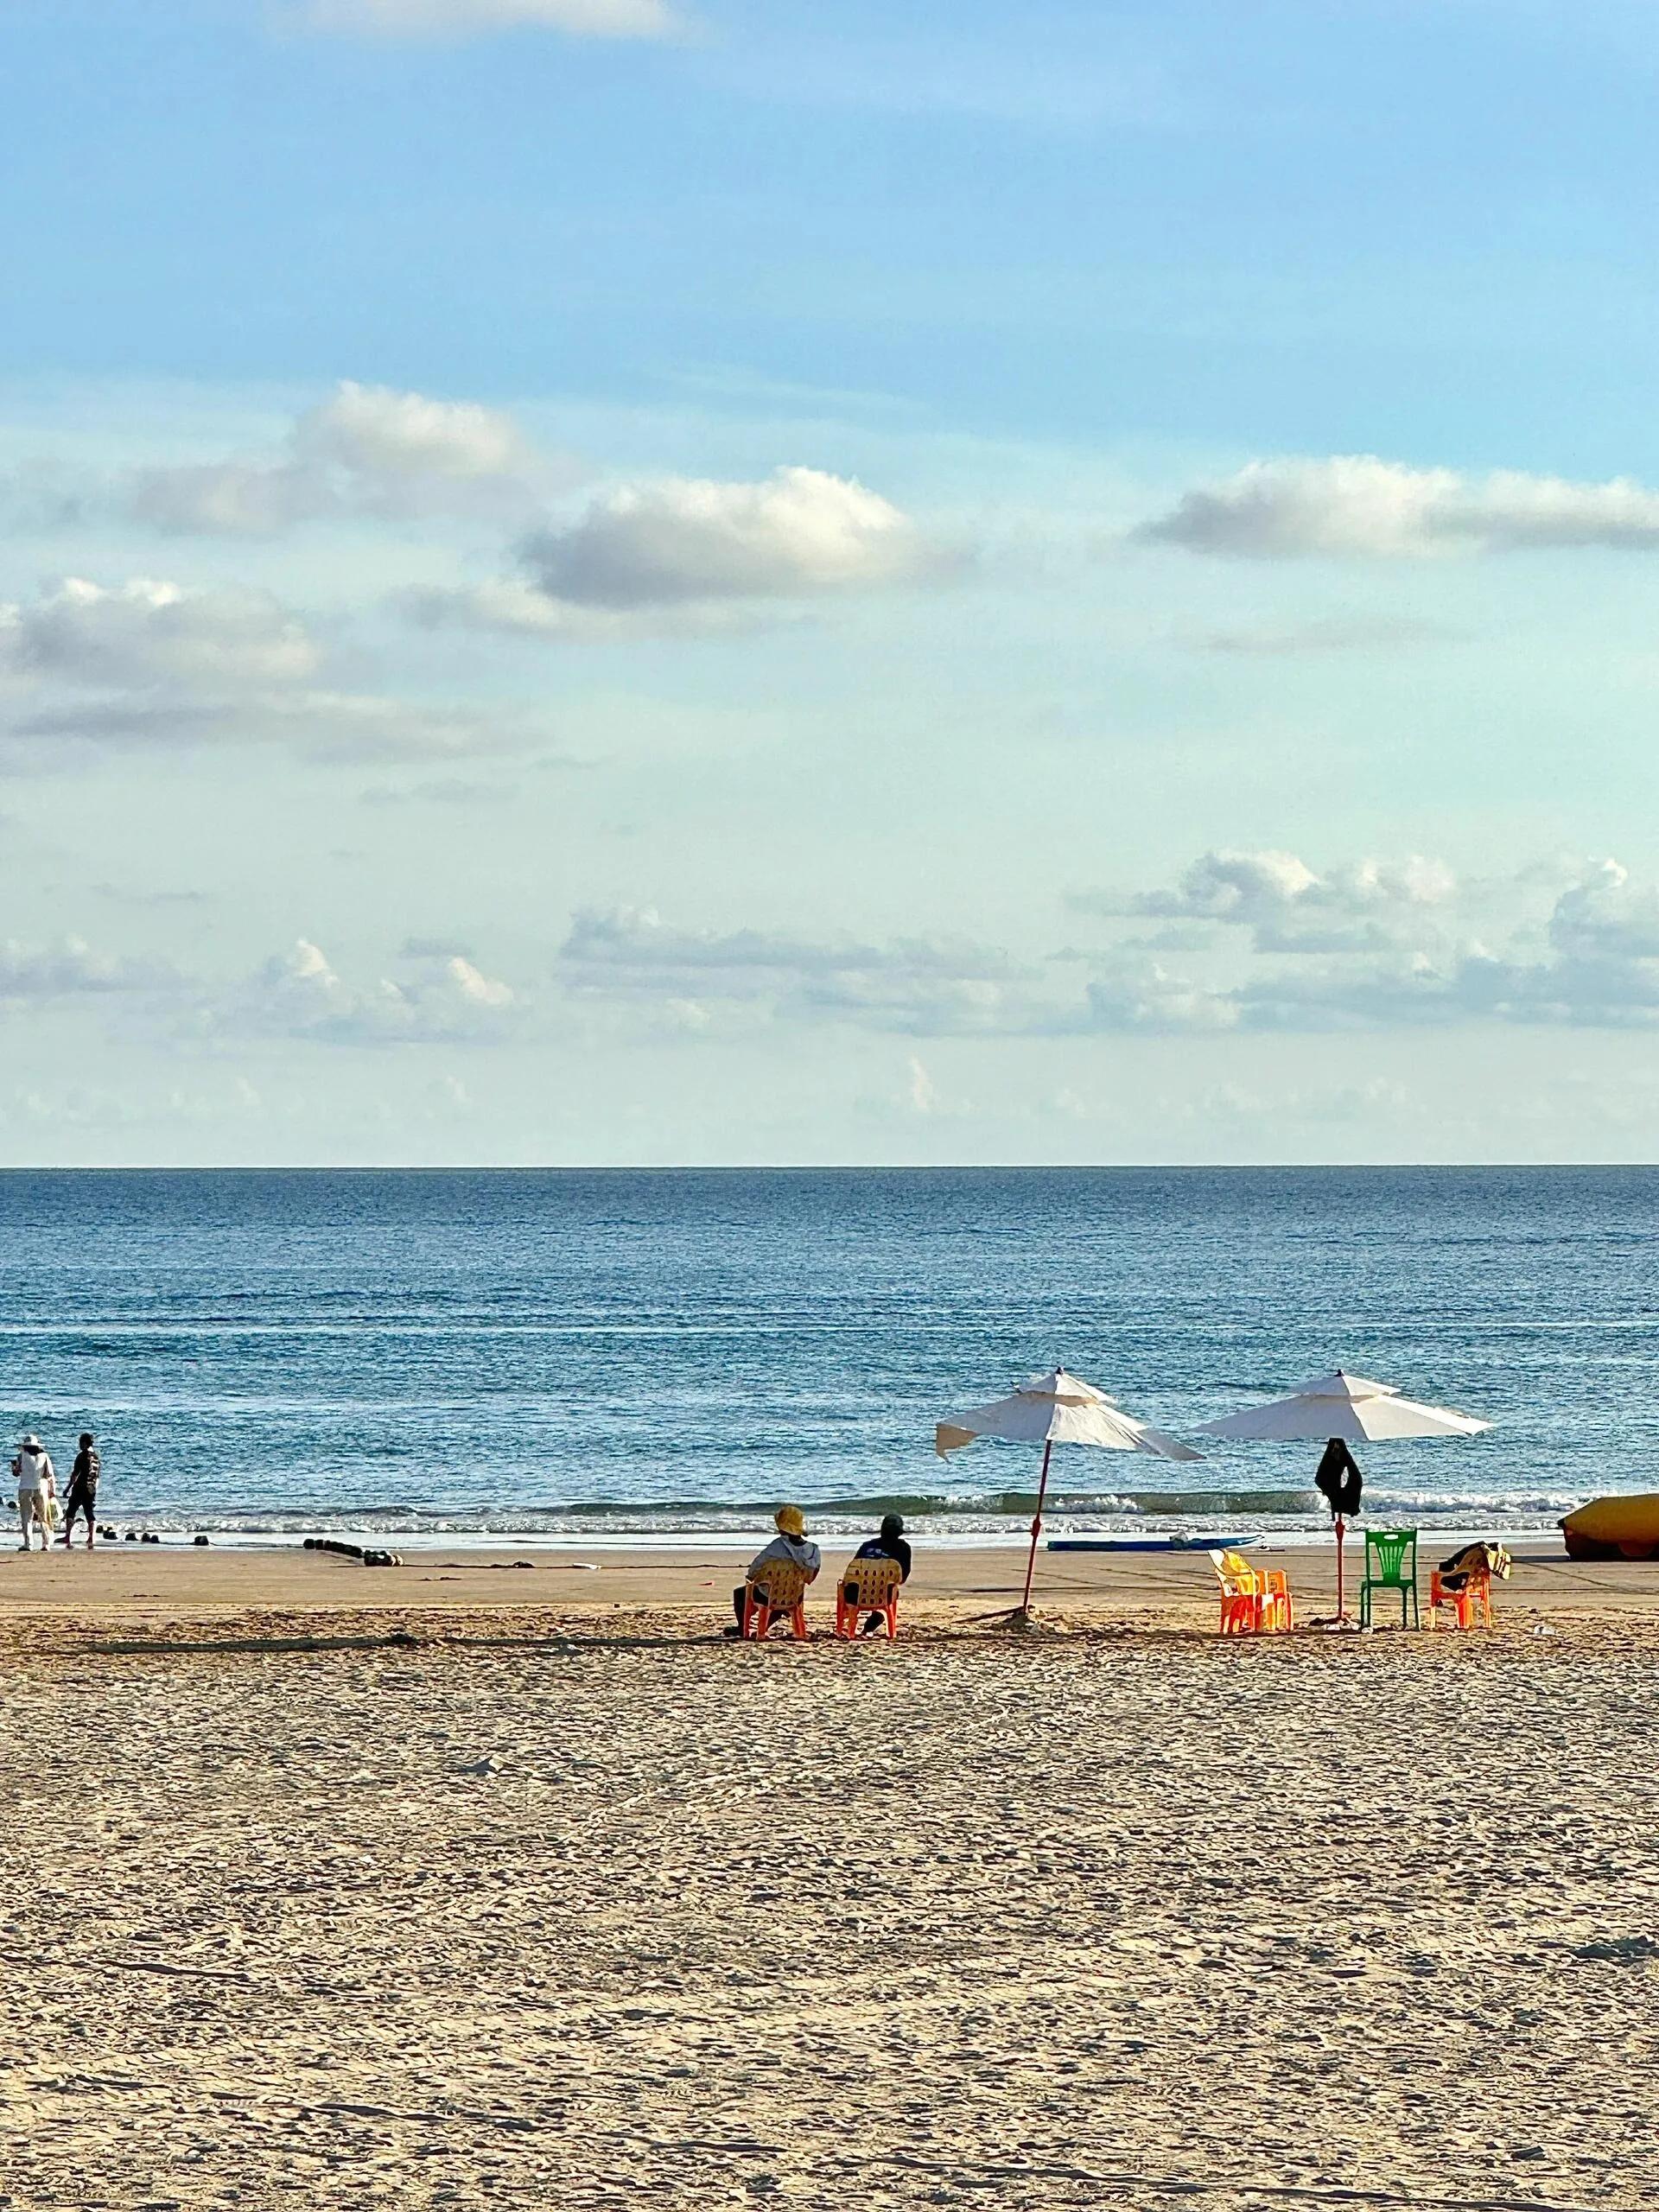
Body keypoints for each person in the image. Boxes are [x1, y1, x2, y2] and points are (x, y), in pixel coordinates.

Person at [729, 1505, 821, 1634]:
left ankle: (742, 1628)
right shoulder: (813, 1549)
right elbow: (811, 1577)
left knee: (740, 1593)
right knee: (778, 1601)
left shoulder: (776, 1545)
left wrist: (753, 1577)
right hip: (795, 1596)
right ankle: (765, 1627)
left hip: (769, 1595)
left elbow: (754, 1569)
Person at [849, 1511, 912, 1633]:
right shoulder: (903, 1548)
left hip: (855, 1594)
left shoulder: (867, 1546)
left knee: (849, 1590)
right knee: (888, 1598)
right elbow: (902, 1577)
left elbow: (852, 1571)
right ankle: (870, 1625)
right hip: (884, 1594)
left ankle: (850, 1624)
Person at [14, 1433, 55, 1554]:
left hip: (25, 1488)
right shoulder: (44, 1456)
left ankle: (28, 1544)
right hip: (41, 1487)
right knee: (44, 1516)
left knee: (26, 1517)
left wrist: (14, 1468)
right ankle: (46, 1543)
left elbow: (16, 1472)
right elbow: (50, 1475)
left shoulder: (21, 1456)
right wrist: (52, 1490)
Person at [61, 1432, 100, 1550]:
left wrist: (67, 1488)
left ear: (85, 1443)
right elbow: (97, 1476)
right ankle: (91, 1537)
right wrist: (94, 1490)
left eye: (81, 1442)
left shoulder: (82, 1456)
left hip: (80, 1487)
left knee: (71, 1512)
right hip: (91, 1488)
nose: (79, 1445)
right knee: (89, 1513)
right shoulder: (96, 1457)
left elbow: (75, 1474)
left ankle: (68, 1536)